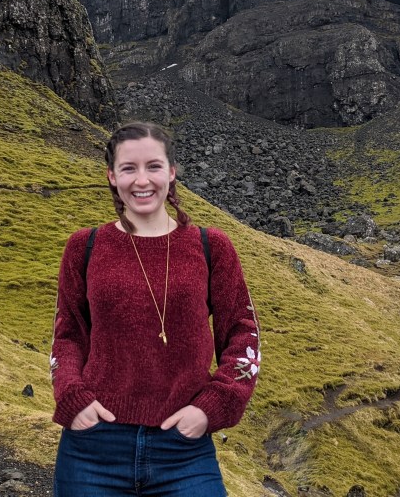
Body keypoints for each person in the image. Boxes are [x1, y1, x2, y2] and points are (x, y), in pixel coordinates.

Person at [50, 121, 260, 496]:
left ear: (172, 172)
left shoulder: (212, 246)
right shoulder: (85, 246)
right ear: (112, 176)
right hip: (93, 448)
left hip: (184, 449)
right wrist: (72, 397)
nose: (141, 180)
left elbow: (243, 334)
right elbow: (68, 335)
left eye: (154, 166)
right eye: (129, 168)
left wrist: (212, 406)